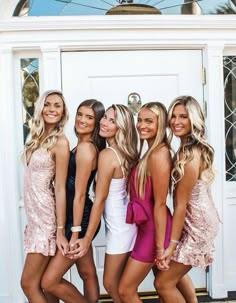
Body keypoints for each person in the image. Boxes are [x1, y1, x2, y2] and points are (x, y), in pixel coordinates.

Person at [154, 96, 220, 303]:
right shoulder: (183, 149)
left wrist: (171, 247)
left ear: (194, 120)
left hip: (198, 224)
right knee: (173, 275)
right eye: (173, 116)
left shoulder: (189, 156)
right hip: (192, 219)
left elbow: (181, 205)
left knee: (163, 283)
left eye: (183, 116)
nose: (176, 121)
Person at [71, 104, 139, 303]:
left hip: (120, 228)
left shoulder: (108, 155)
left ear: (121, 127)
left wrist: (87, 238)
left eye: (112, 120)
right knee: (121, 286)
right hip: (126, 225)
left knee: (110, 284)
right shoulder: (124, 152)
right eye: (105, 117)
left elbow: (99, 200)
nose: (104, 122)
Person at [41, 99, 106, 303]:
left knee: (49, 282)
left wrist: (76, 232)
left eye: (89, 117)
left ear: (96, 123)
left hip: (78, 219)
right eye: (80, 114)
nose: (82, 120)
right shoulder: (81, 146)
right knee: (87, 273)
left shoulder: (86, 149)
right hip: (73, 216)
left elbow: (79, 195)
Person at [117, 101, 173, 303]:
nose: (141, 125)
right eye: (139, 120)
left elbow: (159, 204)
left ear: (161, 124)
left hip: (154, 231)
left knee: (125, 290)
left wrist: (160, 247)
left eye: (149, 121)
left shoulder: (159, 154)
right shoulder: (150, 151)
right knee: (167, 285)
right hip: (146, 228)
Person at [20, 90, 70, 303]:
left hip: (46, 220)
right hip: (34, 219)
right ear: (41, 108)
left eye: (57, 106)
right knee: (45, 287)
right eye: (48, 104)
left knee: (28, 283)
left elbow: (60, 188)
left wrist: (59, 231)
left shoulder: (60, 142)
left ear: (63, 112)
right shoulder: (36, 138)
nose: (52, 109)